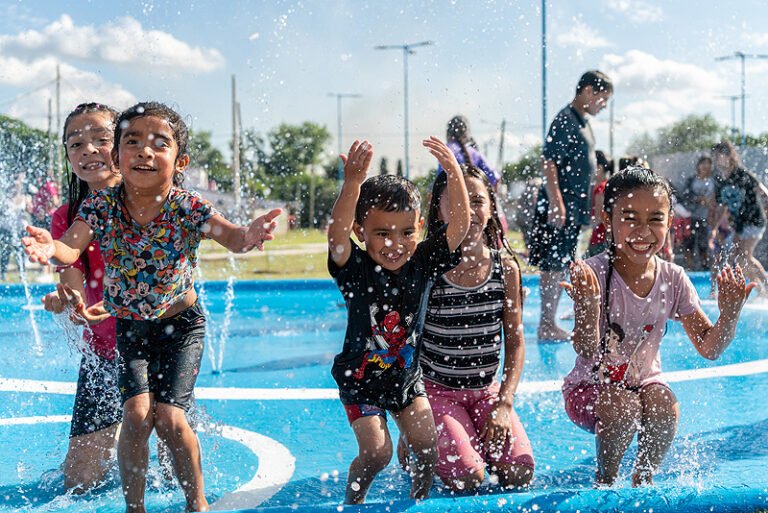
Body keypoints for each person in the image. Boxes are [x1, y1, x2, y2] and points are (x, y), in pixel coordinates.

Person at [23, 101, 282, 513]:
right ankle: (135, 507)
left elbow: (231, 237)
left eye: (159, 144)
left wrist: (249, 233)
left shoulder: (185, 205)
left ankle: (196, 503)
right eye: (133, 142)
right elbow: (69, 251)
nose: (144, 151)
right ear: (119, 154)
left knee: (170, 420)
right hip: (125, 334)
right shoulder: (96, 208)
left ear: (180, 160)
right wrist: (50, 252)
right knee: (129, 424)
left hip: (177, 327)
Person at [562, 166, 754, 487]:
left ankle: (643, 479)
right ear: (608, 222)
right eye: (629, 217)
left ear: (668, 224)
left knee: (665, 405)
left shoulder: (673, 278)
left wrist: (729, 314)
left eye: (655, 219)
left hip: (643, 384)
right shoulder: (594, 273)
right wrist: (588, 306)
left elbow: (709, 348)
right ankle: (606, 480)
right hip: (590, 389)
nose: (643, 230)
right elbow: (584, 349)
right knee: (623, 408)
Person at [327, 137, 469, 504]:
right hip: (361, 381)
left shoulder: (422, 261)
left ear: (420, 228)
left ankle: (416, 502)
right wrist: (352, 184)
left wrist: (453, 173)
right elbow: (336, 237)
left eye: (406, 232)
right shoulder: (355, 268)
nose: (395, 244)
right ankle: (353, 501)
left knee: (426, 447)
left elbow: (459, 228)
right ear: (362, 232)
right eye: (382, 233)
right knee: (377, 453)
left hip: (406, 378)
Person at [406, 165, 534, 492]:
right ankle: (434, 440)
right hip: (436, 391)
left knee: (518, 472)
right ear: (439, 210)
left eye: (477, 201)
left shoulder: (505, 270)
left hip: (485, 393)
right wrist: (410, 420)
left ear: (491, 207)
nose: (469, 212)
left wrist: (504, 404)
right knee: (468, 478)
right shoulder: (428, 267)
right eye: (458, 203)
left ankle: (469, 436)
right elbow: (406, 343)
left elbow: (516, 343)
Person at [39, 102, 123, 493]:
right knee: (80, 480)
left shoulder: (152, 201)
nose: (88, 150)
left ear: (123, 145)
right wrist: (70, 301)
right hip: (103, 350)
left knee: (173, 461)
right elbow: (72, 278)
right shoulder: (67, 216)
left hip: (162, 344)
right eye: (76, 143)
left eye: (101, 140)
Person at [529, 70, 613, 342]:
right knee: (553, 264)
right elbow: (549, 161)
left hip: (571, 209)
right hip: (559, 207)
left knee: (563, 262)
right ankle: (546, 324)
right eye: (602, 99)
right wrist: (556, 202)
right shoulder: (565, 120)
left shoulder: (582, 122)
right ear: (588, 90)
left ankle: (549, 322)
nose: (603, 105)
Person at [710, 140, 768, 293]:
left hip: (754, 220)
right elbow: (722, 206)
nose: (717, 159)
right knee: (739, 259)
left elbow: (763, 191)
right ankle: (760, 290)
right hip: (740, 224)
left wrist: (767, 206)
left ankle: (767, 287)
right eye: (715, 156)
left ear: (730, 155)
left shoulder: (741, 174)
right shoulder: (720, 180)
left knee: (745, 254)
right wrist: (714, 228)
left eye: (720, 155)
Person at [681, 156, 716, 271]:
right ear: (698, 166)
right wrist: (698, 199)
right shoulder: (692, 180)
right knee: (688, 243)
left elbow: (717, 198)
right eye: (703, 163)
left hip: (706, 217)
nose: (705, 166)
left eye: (708, 164)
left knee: (703, 244)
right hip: (690, 216)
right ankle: (689, 267)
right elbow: (684, 196)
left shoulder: (713, 181)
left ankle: (705, 266)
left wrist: (711, 204)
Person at [585, 150, 613, 258]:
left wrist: (582, 232)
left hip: (599, 241)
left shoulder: (601, 189)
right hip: (600, 239)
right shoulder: (604, 186)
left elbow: (598, 218)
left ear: (599, 168)